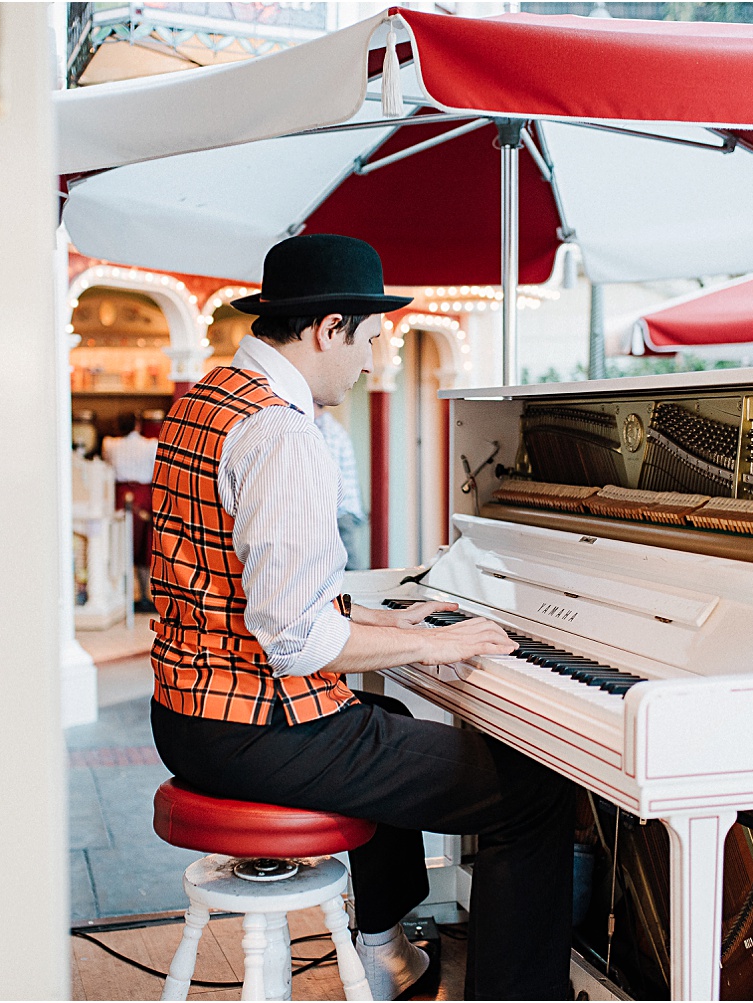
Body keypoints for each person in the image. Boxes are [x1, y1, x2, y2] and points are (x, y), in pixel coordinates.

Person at [147, 234, 574, 1000]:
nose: (374, 360)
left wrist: (393, 618)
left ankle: (382, 948)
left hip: (182, 715)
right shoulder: (286, 435)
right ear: (328, 329)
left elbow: (246, 590)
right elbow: (297, 641)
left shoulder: (206, 398)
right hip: (254, 731)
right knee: (534, 794)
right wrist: (419, 638)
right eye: (371, 338)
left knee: (374, 710)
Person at [102, 412, 162, 613]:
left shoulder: (110, 444)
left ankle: (123, 596)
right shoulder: (151, 444)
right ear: (137, 424)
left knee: (121, 547)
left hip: (121, 497)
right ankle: (144, 595)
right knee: (145, 549)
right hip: (145, 498)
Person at [315, 405, 367, 570]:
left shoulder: (326, 430)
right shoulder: (331, 427)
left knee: (348, 566)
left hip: (339, 511)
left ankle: (359, 595)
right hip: (341, 509)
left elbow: (324, 474)